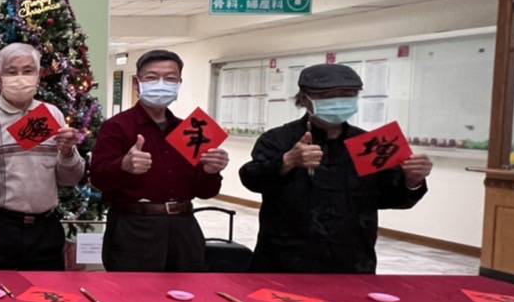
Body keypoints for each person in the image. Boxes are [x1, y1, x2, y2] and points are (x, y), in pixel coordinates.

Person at [240, 63, 432, 273]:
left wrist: (412, 181)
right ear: (304, 99)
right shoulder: (278, 139)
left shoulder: (369, 144)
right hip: (285, 259)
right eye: (328, 96)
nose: (338, 101)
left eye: (348, 95)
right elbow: (252, 178)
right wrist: (287, 161)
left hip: (352, 260)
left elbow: (388, 197)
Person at [0, 42, 85, 271]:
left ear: (38, 75)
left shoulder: (52, 115)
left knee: (45, 292)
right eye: (12, 72)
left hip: (44, 230)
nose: (20, 78)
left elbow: (70, 179)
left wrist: (68, 152)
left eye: (28, 71)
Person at [90, 48, 230, 271]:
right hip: (135, 228)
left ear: (179, 83)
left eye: (170, 78)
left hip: (184, 227)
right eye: (152, 77)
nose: (161, 84)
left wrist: (210, 172)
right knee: (135, 291)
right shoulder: (117, 126)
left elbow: (205, 191)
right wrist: (123, 165)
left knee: (187, 289)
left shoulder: (191, 130)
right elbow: (98, 178)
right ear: (137, 84)